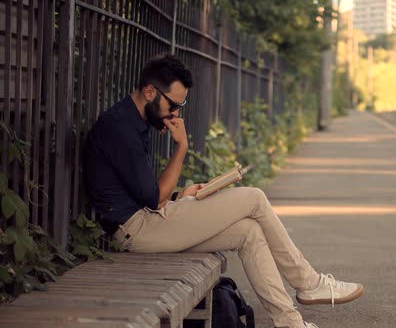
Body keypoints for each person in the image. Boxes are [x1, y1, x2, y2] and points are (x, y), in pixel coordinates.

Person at [83, 54, 364, 328]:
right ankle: (309, 283)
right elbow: (153, 200)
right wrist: (181, 147)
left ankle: (290, 323)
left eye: (181, 106)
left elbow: (144, 192)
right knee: (254, 197)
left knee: (249, 232)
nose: (176, 114)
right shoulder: (119, 128)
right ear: (149, 92)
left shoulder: (133, 122)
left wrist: (182, 195)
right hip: (139, 229)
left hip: (148, 221)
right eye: (173, 105)